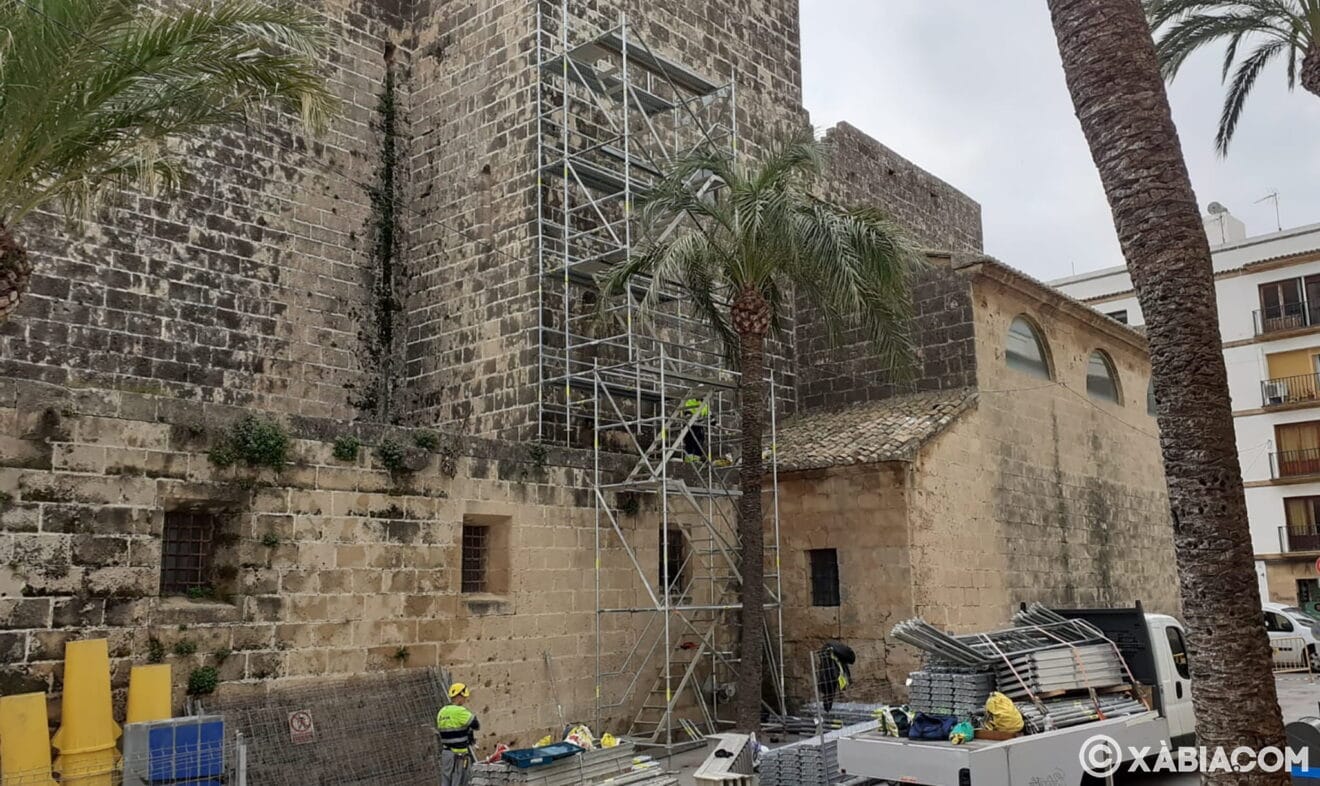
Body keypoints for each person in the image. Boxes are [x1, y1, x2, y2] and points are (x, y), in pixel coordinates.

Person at [437, 683, 480, 786]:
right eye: (464, 697)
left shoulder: (442, 712)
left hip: (446, 754)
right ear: (459, 695)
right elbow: (476, 725)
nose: (465, 699)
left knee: (446, 782)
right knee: (460, 782)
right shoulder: (460, 711)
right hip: (459, 756)